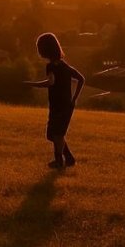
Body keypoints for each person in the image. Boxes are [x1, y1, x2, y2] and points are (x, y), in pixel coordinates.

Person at [26, 32, 84, 169]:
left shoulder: (51, 66)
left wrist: (32, 84)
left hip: (59, 105)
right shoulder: (65, 66)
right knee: (55, 134)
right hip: (66, 105)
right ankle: (68, 158)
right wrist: (74, 98)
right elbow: (81, 79)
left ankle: (59, 161)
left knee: (56, 134)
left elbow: (50, 82)